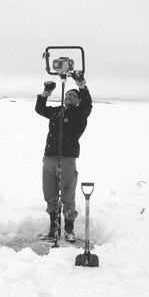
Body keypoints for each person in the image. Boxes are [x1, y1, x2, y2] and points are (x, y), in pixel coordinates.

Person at [35, 71, 92, 242]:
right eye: (68, 94)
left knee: (67, 194)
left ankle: (68, 229)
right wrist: (46, 92)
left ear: (78, 100)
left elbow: (87, 103)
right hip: (50, 157)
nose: (69, 97)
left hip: (67, 158)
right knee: (50, 193)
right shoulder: (56, 112)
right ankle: (54, 229)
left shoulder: (80, 114)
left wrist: (80, 83)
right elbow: (40, 109)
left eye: (74, 96)